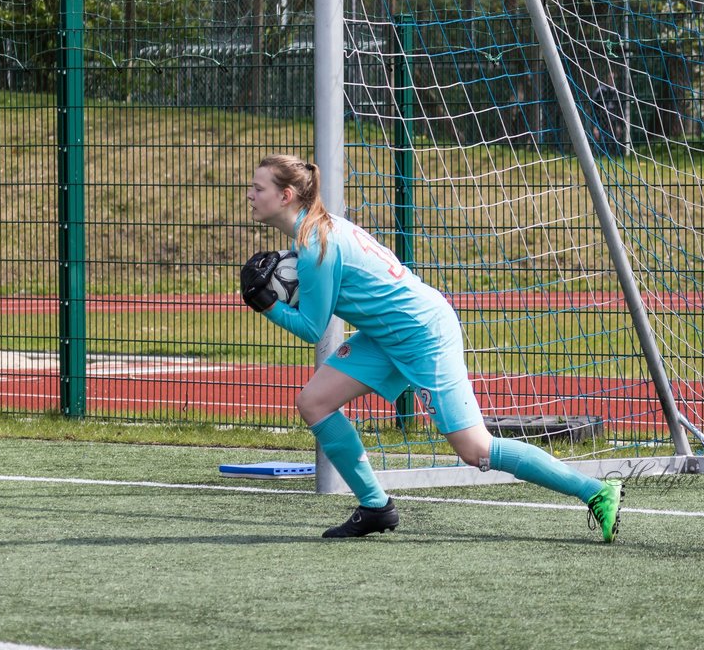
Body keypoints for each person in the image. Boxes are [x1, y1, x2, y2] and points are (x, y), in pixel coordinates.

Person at [241, 154, 623, 542]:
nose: (250, 195)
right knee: (314, 402)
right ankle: (376, 507)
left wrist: (267, 304)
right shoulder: (315, 233)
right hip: (388, 335)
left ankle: (596, 492)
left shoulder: (314, 245)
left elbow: (311, 329)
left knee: (475, 449)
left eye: (258, 188)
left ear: (286, 195)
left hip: (423, 333)